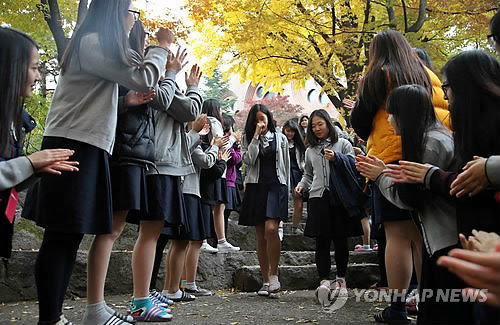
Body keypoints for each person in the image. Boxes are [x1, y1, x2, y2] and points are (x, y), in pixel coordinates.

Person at [31, 1, 171, 324]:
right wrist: (161, 48)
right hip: (72, 144)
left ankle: (55, 317)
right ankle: (50, 318)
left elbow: (91, 97)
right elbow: (144, 78)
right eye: (130, 13)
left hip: (85, 144)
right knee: (60, 235)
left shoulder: (94, 43)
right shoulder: (93, 41)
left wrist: (124, 101)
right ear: (115, 13)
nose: (133, 21)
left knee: (69, 236)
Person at [384, 50, 500, 324]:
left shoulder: (435, 143)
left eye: (447, 87)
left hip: (467, 246)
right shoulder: (465, 131)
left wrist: (427, 177)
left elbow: (458, 186)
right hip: (471, 246)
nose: (445, 96)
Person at [350, 29, 450, 324]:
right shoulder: (425, 72)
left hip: (388, 157)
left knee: (396, 237)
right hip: (426, 152)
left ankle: (396, 308)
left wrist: (360, 94)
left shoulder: (378, 74)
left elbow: (360, 123)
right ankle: (428, 304)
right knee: (421, 235)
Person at [357, 84, 475, 324]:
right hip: (441, 239)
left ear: (405, 114)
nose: (388, 119)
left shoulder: (432, 144)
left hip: (447, 242)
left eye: (391, 113)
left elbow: (411, 199)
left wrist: (380, 175)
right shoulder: (433, 138)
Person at [0, 27, 78, 275]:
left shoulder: (13, 120)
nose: (38, 76)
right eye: (33, 67)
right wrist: (30, 163)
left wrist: (35, 169)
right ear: (9, 65)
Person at [295, 109, 364, 306]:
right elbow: (308, 174)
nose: (317, 129)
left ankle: (341, 280)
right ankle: (324, 281)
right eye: (313, 126)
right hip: (318, 197)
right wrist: (302, 185)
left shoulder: (343, 143)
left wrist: (337, 158)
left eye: (320, 124)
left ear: (328, 123)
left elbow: (353, 164)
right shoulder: (310, 151)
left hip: (340, 198)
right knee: (322, 242)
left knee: (341, 241)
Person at [239, 104, 290, 296]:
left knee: (271, 229)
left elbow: (285, 165)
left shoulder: (281, 138)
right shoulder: (247, 138)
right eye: (257, 119)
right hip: (255, 187)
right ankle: (266, 280)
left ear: (269, 117)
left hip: (277, 186)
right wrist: (255, 138)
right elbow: (248, 160)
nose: (261, 122)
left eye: (263, 118)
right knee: (260, 236)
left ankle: (274, 274)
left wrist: (289, 189)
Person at [180, 123, 228, 296]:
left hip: (193, 191)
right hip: (190, 191)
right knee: (193, 240)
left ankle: (181, 285)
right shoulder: (191, 141)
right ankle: (187, 284)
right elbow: (207, 163)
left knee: (186, 242)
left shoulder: (190, 140)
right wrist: (217, 149)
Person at [202, 99, 240, 252]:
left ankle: (218, 240)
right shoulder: (214, 122)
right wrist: (233, 138)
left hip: (213, 167)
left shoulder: (204, 121)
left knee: (217, 205)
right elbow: (221, 143)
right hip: (216, 167)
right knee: (215, 205)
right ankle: (214, 240)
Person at [282, 119, 306, 235]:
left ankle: (295, 227)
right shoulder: (280, 143)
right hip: (283, 173)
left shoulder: (299, 145)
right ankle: (280, 225)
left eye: (292, 131)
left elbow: (303, 161)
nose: (290, 133)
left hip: (297, 174)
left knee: (299, 201)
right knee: (282, 199)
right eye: (288, 131)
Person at [222, 114, 242, 234]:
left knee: (224, 213)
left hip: (230, 181)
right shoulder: (226, 143)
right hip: (227, 182)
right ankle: (219, 239)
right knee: (223, 213)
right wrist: (238, 149)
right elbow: (235, 159)